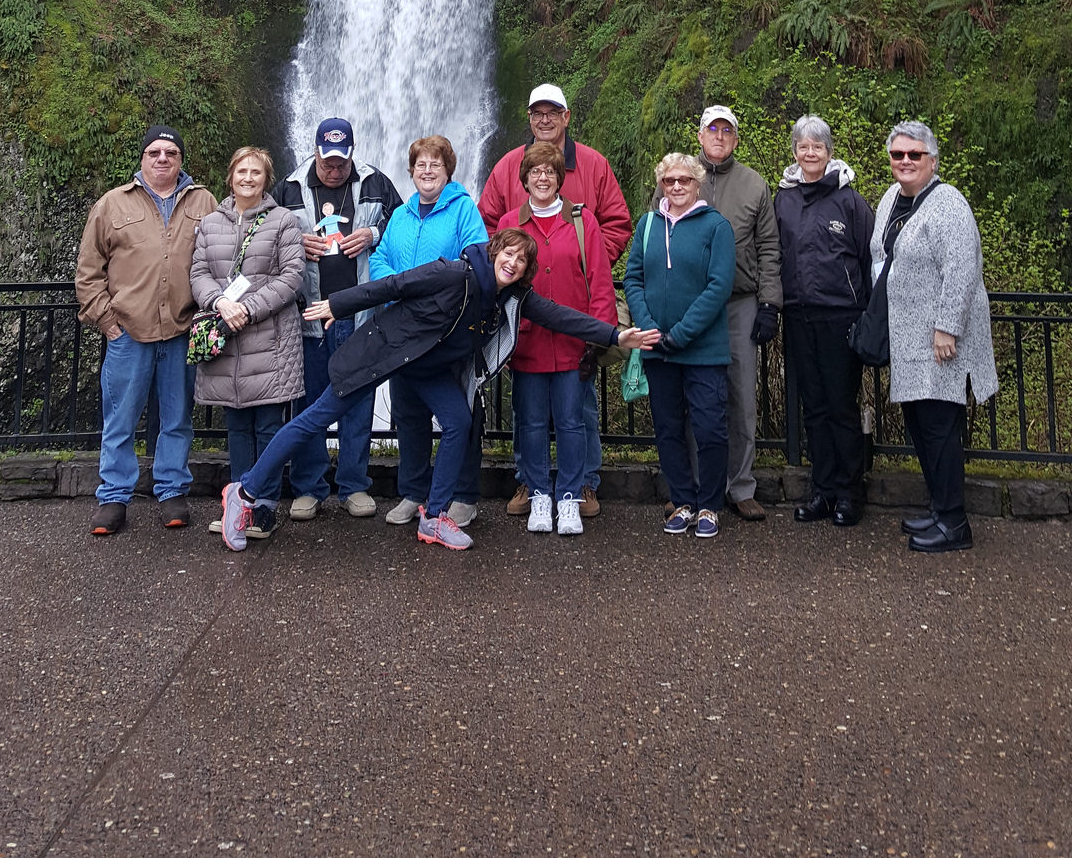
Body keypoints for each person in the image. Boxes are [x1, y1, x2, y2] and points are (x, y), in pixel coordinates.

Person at [220, 230, 661, 552]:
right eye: (508, 253)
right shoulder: (455, 273)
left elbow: (561, 317)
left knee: (457, 421)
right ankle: (244, 492)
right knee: (316, 418)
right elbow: (394, 285)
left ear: (525, 271)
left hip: (427, 367)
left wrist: (614, 336)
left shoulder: (510, 299)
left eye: (522, 261)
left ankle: (434, 516)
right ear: (495, 251)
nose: (513, 263)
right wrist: (339, 303)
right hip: (384, 352)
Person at [480, 83, 632, 519]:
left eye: (553, 112)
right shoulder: (509, 164)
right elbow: (488, 224)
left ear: (567, 117)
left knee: (576, 411)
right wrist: (506, 268)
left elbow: (617, 225)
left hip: (573, 319)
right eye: (536, 113)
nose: (544, 120)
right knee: (526, 413)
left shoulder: (594, 165)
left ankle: (581, 484)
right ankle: (530, 485)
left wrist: (588, 261)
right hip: (523, 322)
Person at [75, 125, 217, 537]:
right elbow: (88, 271)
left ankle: (172, 490)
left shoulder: (203, 201)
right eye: (154, 152)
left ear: (180, 160)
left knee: (177, 418)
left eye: (170, 153)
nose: (162, 159)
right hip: (128, 334)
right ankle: (114, 497)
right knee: (119, 419)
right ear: (142, 158)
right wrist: (108, 323)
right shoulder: (112, 204)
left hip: (181, 329)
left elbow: (228, 251)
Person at [870, 121, 998, 553]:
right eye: (897, 155)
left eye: (914, 155)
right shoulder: (892, 199)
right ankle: (940, 509)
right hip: (907, 336)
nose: (904, 162)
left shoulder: (948, 204)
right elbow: (879, 254)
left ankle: (955, 523)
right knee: (921, 427)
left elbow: (962, 269)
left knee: (941, 429)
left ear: (932, 161)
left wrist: (947, 326)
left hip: (939, 339)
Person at [273, 118, 400, 521]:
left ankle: (353, 485)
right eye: (327, 162)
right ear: (314, 152)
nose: (334, 169)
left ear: (352, 152)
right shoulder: (290, 188)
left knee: (358, 399)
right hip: (307, 313)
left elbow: (405, 226)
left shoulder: (377, 183)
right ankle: (309, 486)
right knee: (309, 401)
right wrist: (295, 241)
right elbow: (263, 236)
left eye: (341, 162)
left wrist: (374, 235)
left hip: (358, 314)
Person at [498, 142, 618, 535]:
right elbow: (499, 283)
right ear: (525, 179)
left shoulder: (584, 222)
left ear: (560, 177)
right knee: (530, 423)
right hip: (527, 341)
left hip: (572, 342)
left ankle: (568, 496)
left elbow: (600, 281)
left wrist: (602, 337)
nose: (543, 178)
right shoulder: (509, 224)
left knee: (571, 423)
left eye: (550, 171)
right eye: (535, 172)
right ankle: (538, 494)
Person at [369, 135, 488, 529]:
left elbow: (475, 259)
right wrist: (397, 291)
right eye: (421, 164)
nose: (428, 170)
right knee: (409, 415)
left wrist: (429, 298)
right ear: (411, 170)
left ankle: (464, 496)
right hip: (404, 333)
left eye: (436, 163)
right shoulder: (401, 215)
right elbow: (380, 259)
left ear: (448, 170)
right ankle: (413, 492)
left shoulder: (462, 209)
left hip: (448, 332)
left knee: (461, 414)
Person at [191, 147, 305, 540]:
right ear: (231, 176)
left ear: (266, 179)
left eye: (257, 172)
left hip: (269, 340)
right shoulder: (209, 224)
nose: (249, 178)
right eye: (242, 171)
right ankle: (237, 503)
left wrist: (247, 309)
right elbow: (199, 273)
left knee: (269, 427)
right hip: (226, 341)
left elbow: (292, 277)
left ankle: (265, 507)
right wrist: (220, 303)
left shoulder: (283, 221)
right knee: (238, 426)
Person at [623, 153, 737, 538]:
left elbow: (720, 285)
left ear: (697, 182)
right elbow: (633, 278)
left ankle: (709, 506)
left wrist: (682, 333)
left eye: (684, 180)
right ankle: (683, 500)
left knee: (710, 429)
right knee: (668, 428)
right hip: (658, 347)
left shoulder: (716, 227)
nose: (675, 187)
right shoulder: (648, 224)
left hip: (703, 349)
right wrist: (651, 328)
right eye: (669, 180)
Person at [683, 105, 782, 523]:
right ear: (700, 135)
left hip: (739, 304)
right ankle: (696, 486)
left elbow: (769, 249)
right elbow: (654, 234)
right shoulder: (681, 177)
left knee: (741, 397)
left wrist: (770, 303)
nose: (719, 136)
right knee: (695, 398)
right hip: (692, 303)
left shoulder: (754, 185)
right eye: (712, 129)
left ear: (735, 139)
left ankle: (740, 486)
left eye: (727, 130)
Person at [775, 115, 873, 527]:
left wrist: (868, 314)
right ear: (795, 152)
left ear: (829, 152)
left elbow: (871, 259)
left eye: (818, 146)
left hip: (840, 316)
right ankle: (823, 490)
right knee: (813, 407)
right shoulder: (783, 199)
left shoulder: (850, 201)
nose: (810, 153)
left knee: (840, 406)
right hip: (798, 315)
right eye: (803, 146)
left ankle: (850, 493)